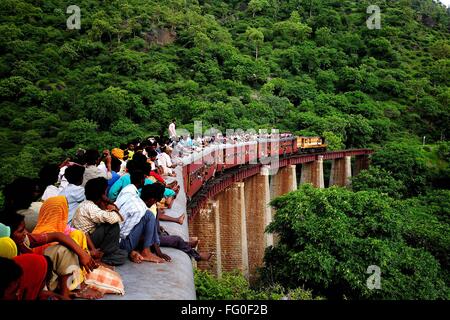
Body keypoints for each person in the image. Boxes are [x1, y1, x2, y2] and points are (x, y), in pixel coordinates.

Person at [1, 213, 101, 299]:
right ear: (7, 235)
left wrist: (83, 254)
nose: (26, 233)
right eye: (20, 231)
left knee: (65, 250)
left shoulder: (25, 240)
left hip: (42, 280)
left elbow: (58, 235)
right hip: (28, 289)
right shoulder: (5, 253)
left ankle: (65, 293)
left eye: (25, 229)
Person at [114, 171, 170, 264]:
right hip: (119, 242)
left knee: (148, 217)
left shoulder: (131, 195)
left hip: (115, 236)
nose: (154, 203)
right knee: (149, 216)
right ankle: (146, 251)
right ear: (152, 199)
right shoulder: (139, 209)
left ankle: (148, 249)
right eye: (155, 201)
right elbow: (123, 234)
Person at [72, 177, 128, 266]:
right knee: (113, 226)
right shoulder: (90, 207)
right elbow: (115, 218)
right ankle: (101, 256)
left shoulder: (87, 204)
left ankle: (104, 254)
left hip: (89, 238)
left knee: (123, 254)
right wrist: (111, 206)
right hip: (85, 241)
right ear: (102, 194)